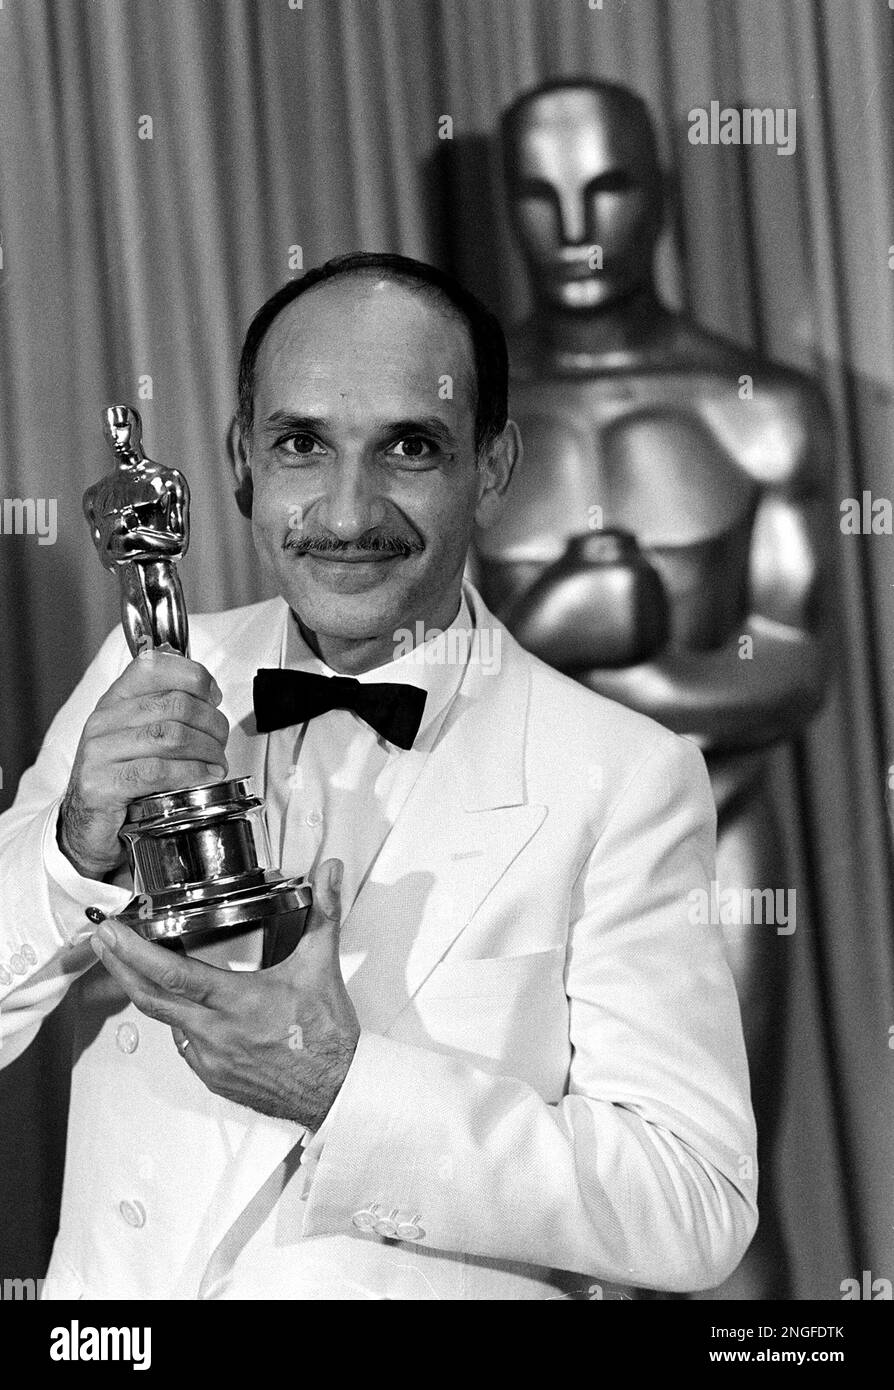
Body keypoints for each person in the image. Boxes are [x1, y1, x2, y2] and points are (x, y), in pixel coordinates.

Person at [0, 252, 757, 1301]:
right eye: (301, 443)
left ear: (492, 466)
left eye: (410, 446)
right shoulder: (149, 673)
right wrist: (71, 848)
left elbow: (694, 1202)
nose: (348, 513)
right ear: (241, 460)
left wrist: (344, 1091)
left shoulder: (622, 774)